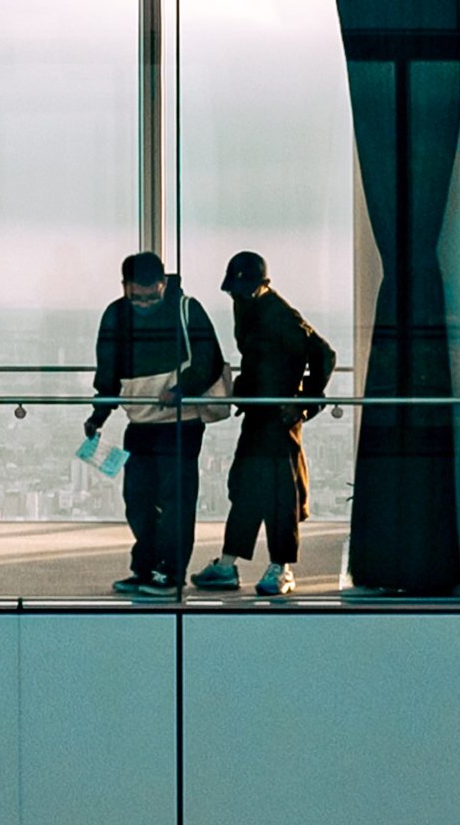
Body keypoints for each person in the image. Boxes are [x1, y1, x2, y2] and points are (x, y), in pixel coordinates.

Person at [79, 249, 229, 598]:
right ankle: (144, 566)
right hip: (141, 422)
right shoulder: (116, 315)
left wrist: (182, 390)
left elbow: (209, 360)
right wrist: (98, 415)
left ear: (164, 283)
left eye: (150, 296)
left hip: (182, 421)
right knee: (138, 498)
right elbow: (108, 372)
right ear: (124, 287)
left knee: (176, 499)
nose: (143, 304)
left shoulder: (186, 309)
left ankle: (170, 573)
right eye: (136, 297)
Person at [197, 249, 335, 596]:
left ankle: (280, 568)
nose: (234, 297)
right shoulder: (251, 307)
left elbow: (324, 354)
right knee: (246, 488)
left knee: (280, 495)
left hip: (278, 420)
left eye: (240, 291)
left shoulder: (281, 315)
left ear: (260, 286)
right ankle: (229, 564)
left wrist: (303, 403)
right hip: (261, 415)